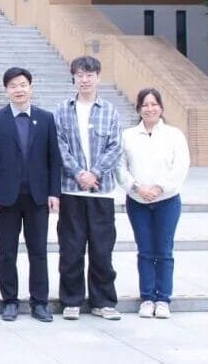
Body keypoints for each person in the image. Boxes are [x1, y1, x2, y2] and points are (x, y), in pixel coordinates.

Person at [0, 67, 61, 322]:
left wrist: (54, 192)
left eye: (23, 84)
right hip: (6, 197)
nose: (19, 89)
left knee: (38, 250)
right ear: (6, 89)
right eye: (13, 85)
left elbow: (54, 159)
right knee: (7, 251)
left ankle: (39, 302)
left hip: (38, 196)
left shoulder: (46, 118)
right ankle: (10, 301)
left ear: (31, 87)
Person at [54, 56, 123, 321]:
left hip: (101, 191)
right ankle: (71, 300)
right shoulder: (62, 110)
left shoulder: (110, 110)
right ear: (73, 77)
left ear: (98, 77)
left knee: (102, 249)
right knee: (71, 248)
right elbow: (60, 146)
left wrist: (94, 173)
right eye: (80, 75)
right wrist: (79, 173)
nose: (84, 79)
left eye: (89, 75)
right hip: (72, 190)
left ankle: (103, 301)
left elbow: (115, 146)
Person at [118, 88, 190, 319]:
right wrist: (137, 188)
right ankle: (147, 297)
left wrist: (159, 188)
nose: (149, 109)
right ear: (138, 108)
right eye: (145, 105)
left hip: (167, 201)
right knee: (145, 250)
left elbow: (180, 166)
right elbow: (120, 167)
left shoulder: (174, 135)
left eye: (154, 104)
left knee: (164, 250)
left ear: (161, 108)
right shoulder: (128, 135)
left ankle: (163, 299)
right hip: (138, 201)